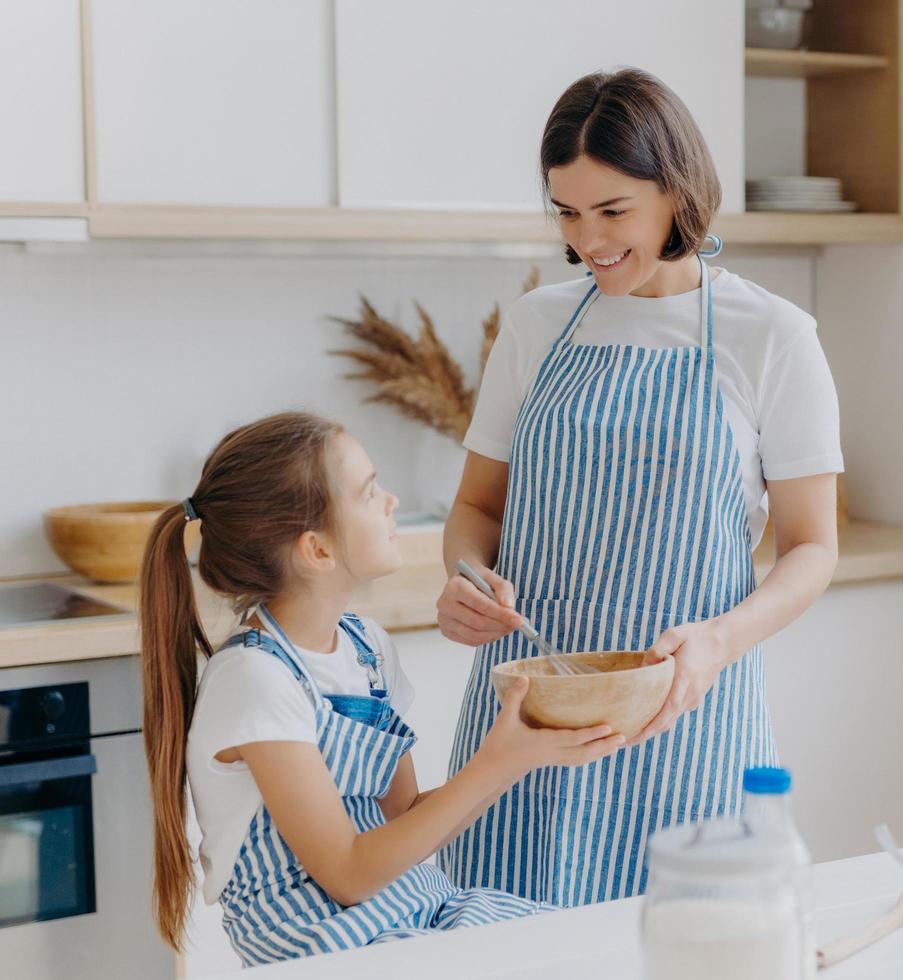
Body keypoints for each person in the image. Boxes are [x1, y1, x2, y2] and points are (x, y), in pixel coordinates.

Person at [437, 68, 843, 906]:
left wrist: (720, 642)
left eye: (612, 211)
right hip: (526, 722)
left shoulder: (772, 336)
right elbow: (477, 509)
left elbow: (812, 547)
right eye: (567, 212)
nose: (588, 239)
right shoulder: (536, 324)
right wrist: (468, 580)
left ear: (676, 192)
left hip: (683, 719)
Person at [139, 412, 624, 964]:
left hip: (410, 907)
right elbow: (347, 874)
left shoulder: (365, 649)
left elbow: (405, 815)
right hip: (321, 942)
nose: (391, 502)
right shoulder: (254, 680)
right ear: (317, 550)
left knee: (588, 946)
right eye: (370, 493)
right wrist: (497, 764)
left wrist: (530, 749)